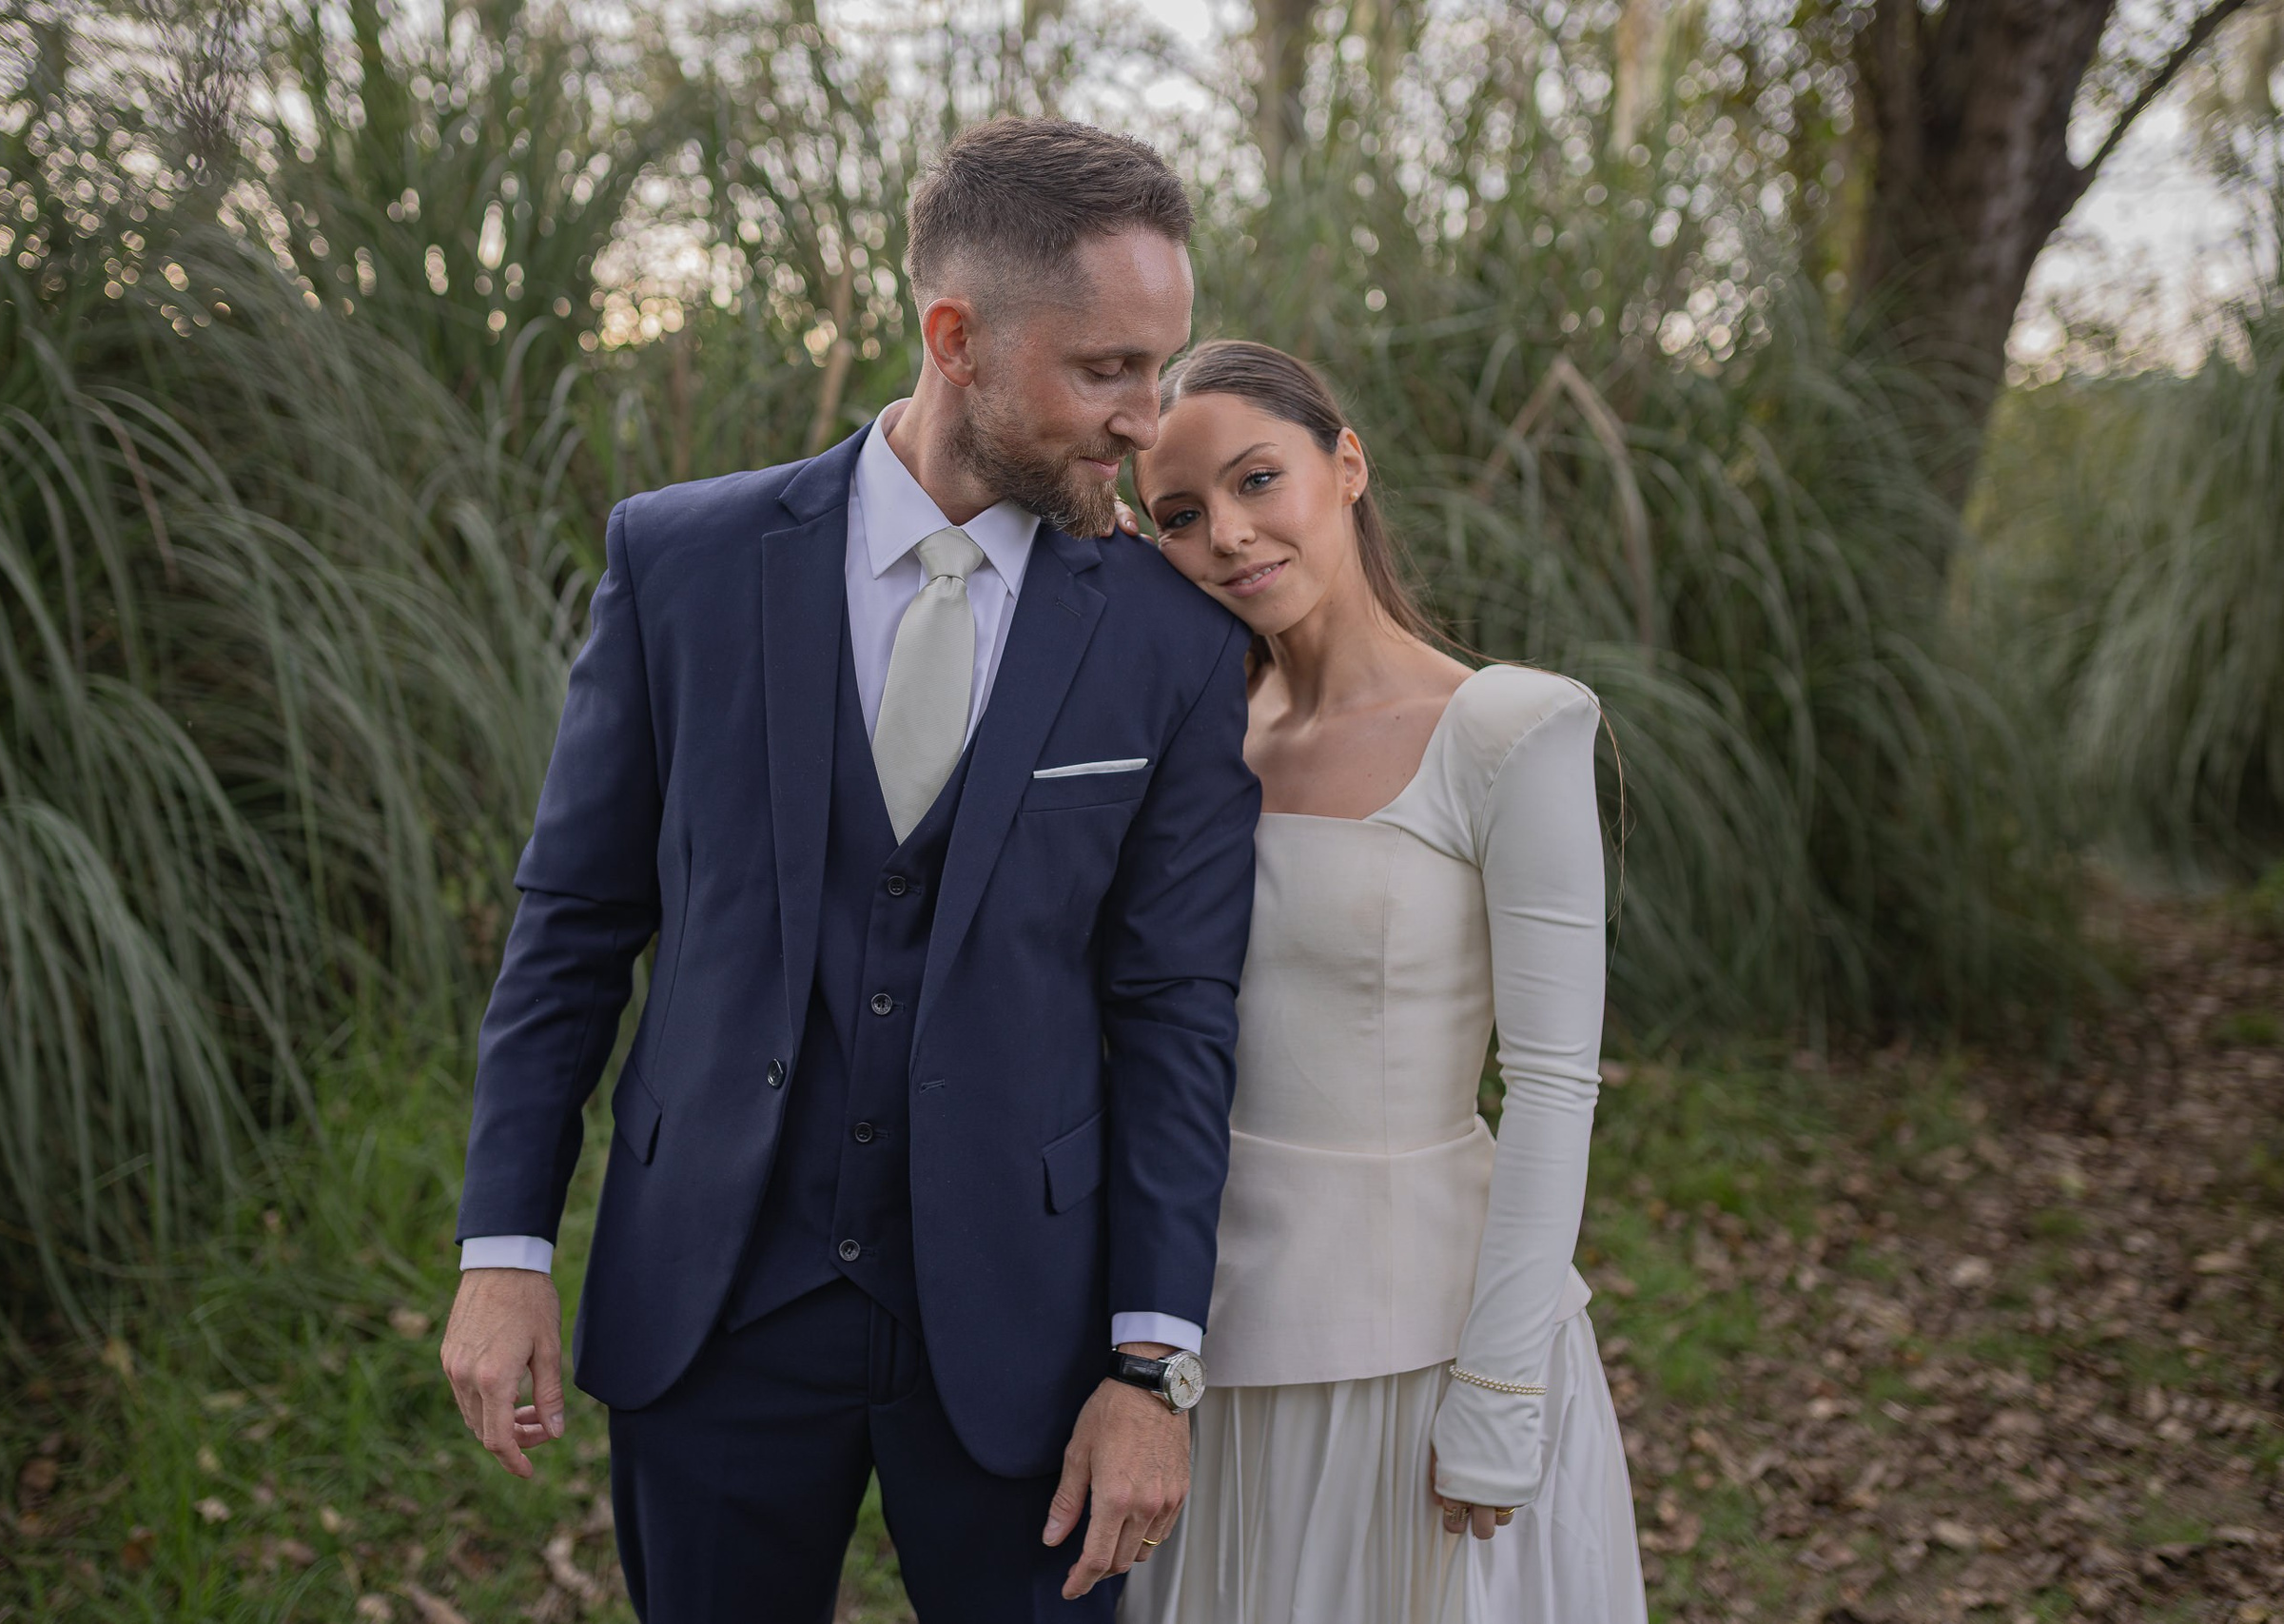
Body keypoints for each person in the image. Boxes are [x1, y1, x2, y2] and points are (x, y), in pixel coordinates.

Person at [436, 121, 1261, 1622]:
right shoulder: (682, 566)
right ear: (957, 337)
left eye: (1164, 364)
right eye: (1106, 370)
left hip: (1031, 1330)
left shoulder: (1175, 644)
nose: (1150, 420)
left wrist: (1154, 1365)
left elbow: (1175, 1013)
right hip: (716, 1304)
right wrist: (503, 1252)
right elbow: (571, 928)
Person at [1119, 341, 1649, 1624]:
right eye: (1182, 516)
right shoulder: (1194, 745)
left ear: (1346, 464)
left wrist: (1502, 1394)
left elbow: (1556, 1086)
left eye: (1260, 480)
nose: (1230, 535)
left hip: (1423, 1355)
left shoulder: (1508, 731)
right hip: (1206, 1349)